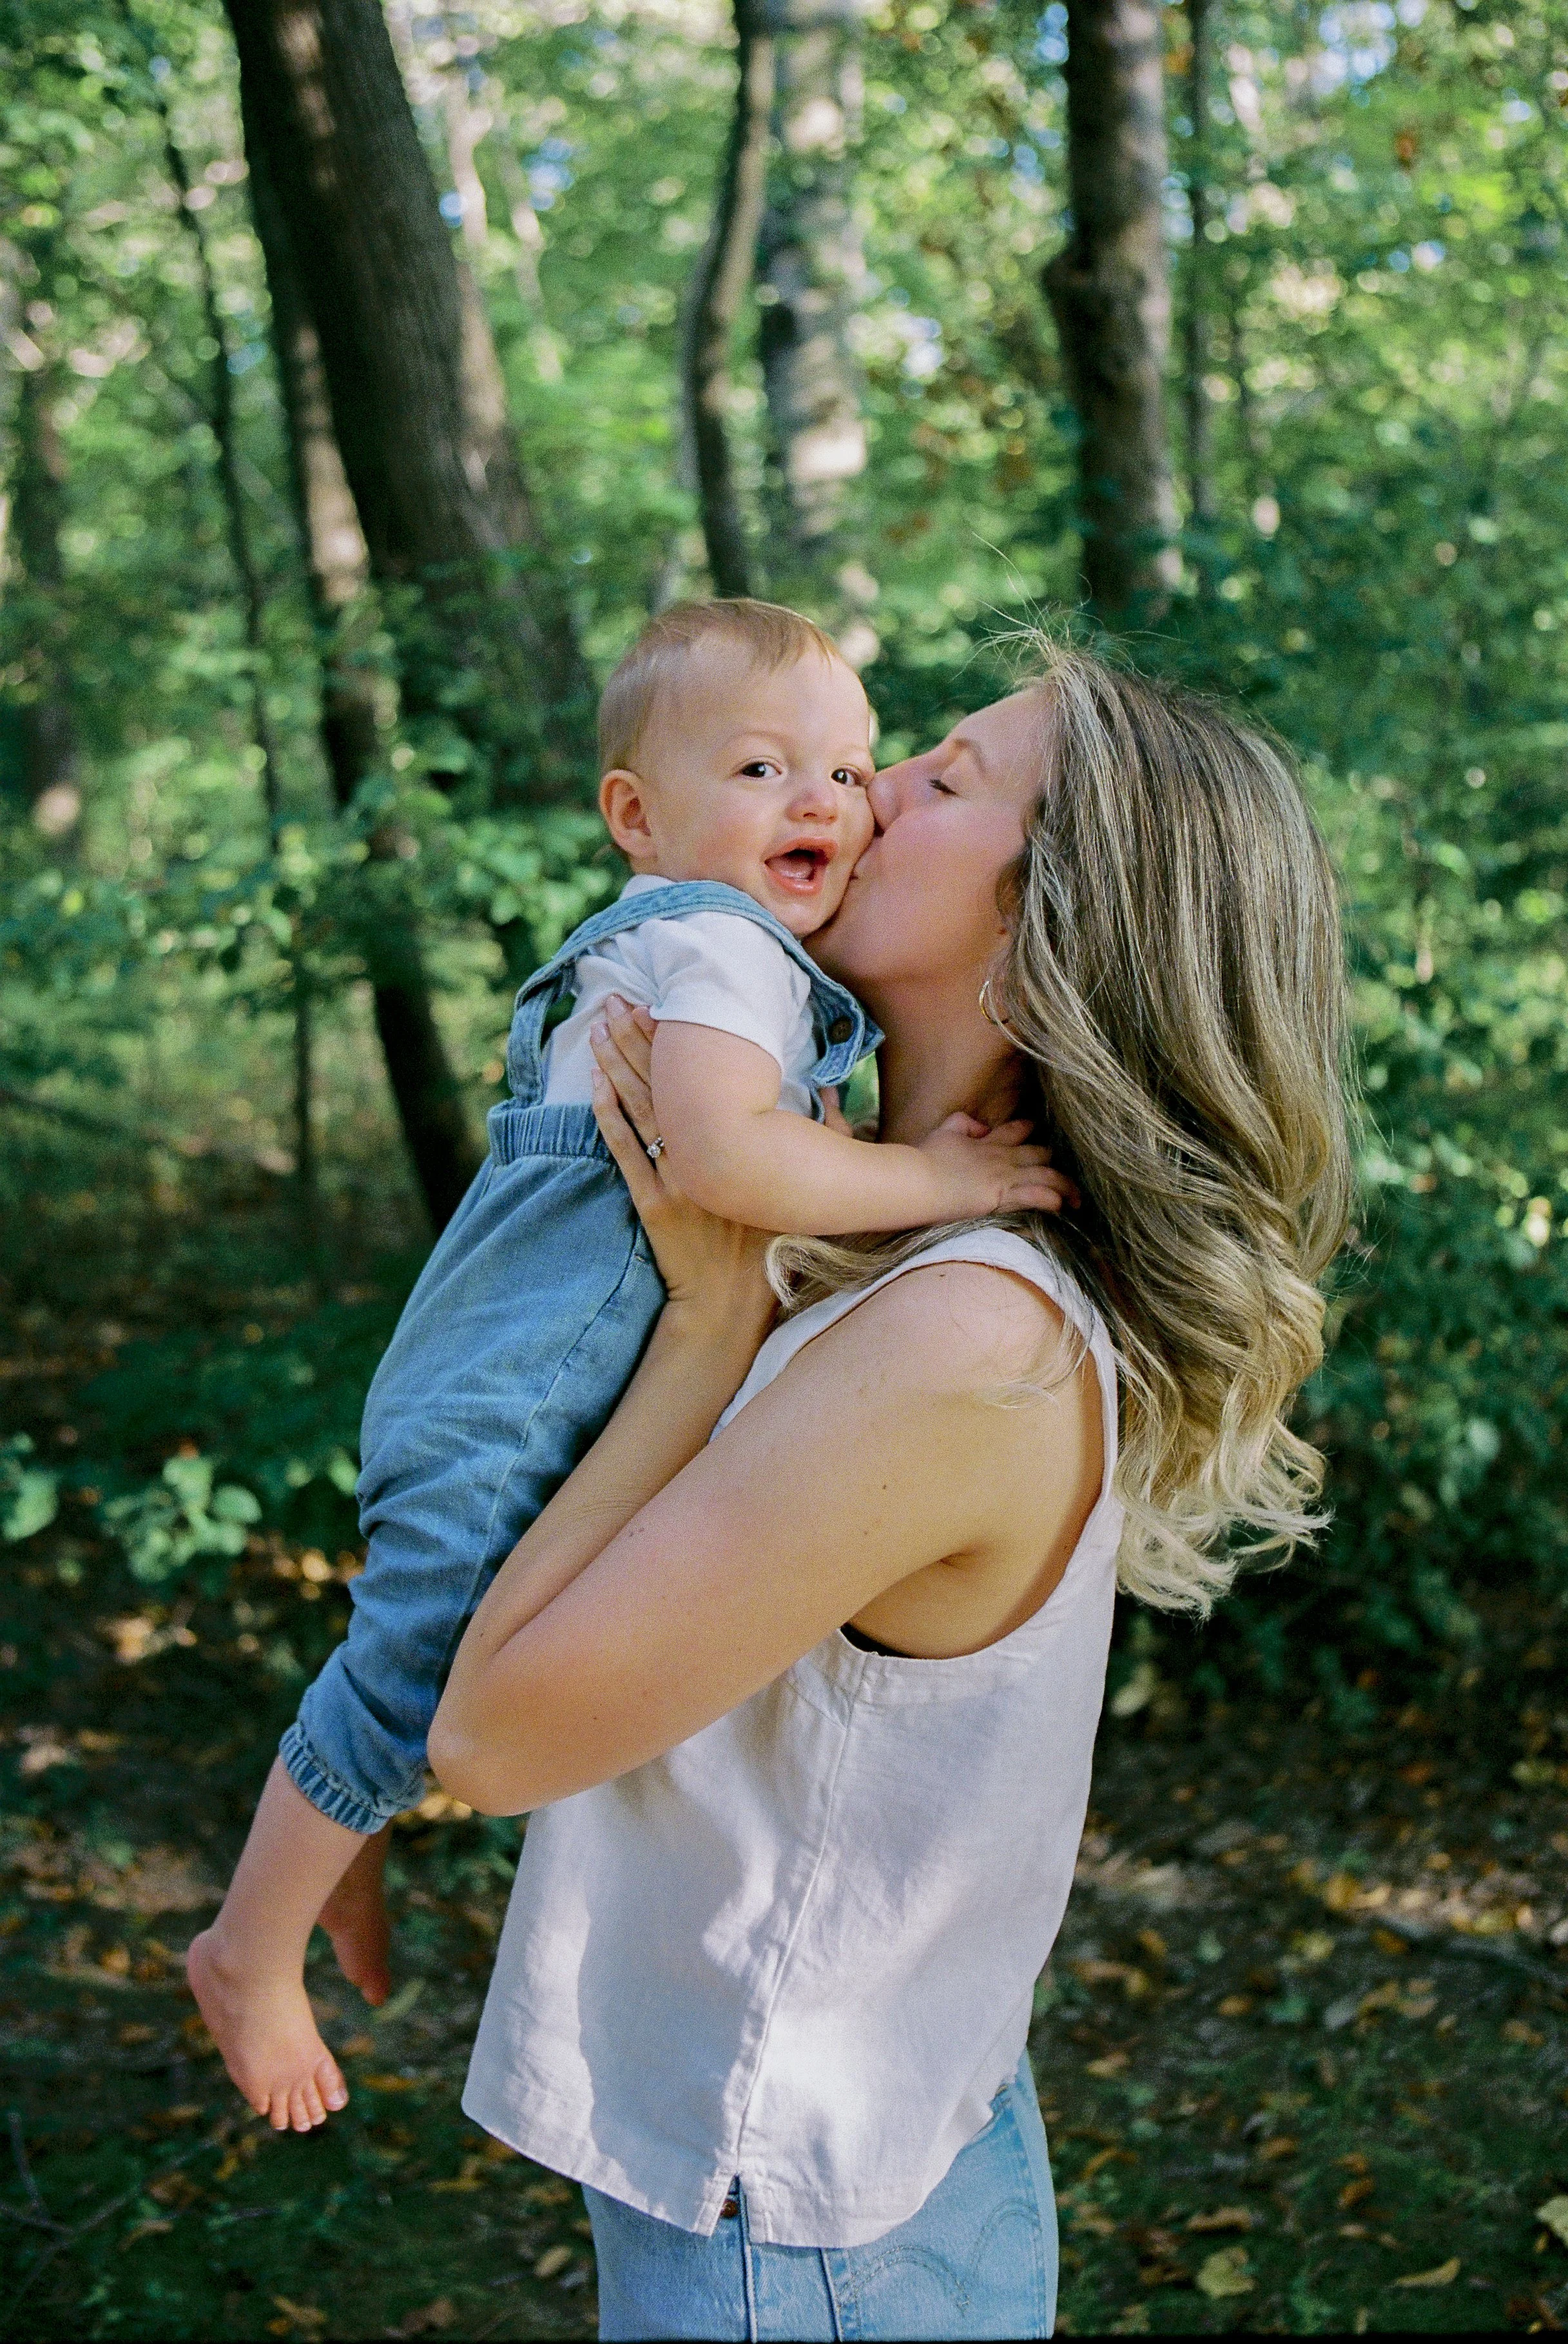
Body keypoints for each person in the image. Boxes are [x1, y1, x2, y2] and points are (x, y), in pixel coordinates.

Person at [429, 641, 1353, 2342]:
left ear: (1050, 920)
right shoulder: (903, 1245)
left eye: (939, 778)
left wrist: (707, 1324)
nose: (860, 793)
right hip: (870, 2160)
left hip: (792, 2240)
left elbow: (492, 1740)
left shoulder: (959, 1335)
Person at [187, 598, 1065, 2133]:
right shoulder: (717, 948)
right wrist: (940, 1180)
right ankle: (246, 1948)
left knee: (405, 1653)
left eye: (857, 770)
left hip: (532, 1371)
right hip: (523, 1382)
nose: (837, 799)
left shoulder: (737, 973)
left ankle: (339, 1829)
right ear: (636, 818)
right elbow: (723, 1158)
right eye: (762, 768)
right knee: (415, 1655)